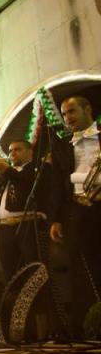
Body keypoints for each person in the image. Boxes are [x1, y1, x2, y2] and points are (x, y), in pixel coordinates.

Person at [49, 95, 101, 338]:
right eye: (65, 113)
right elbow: (59, 184)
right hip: (79, 209)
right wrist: (56, 218)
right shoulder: (62, 145)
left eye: (72, 112)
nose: (67, 118)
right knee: (83, 267)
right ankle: (88, 327)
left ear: (87, 108)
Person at [0, 140, 49, 282]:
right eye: (10, 151)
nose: (12, 154)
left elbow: (27, 184)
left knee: (34, 271)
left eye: (17, 150)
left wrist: (7, 170)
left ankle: (40, 303)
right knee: (11, 273)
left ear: (30, 152)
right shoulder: (9, 174)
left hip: (28, 225)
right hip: (6, 228)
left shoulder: (37, 168)